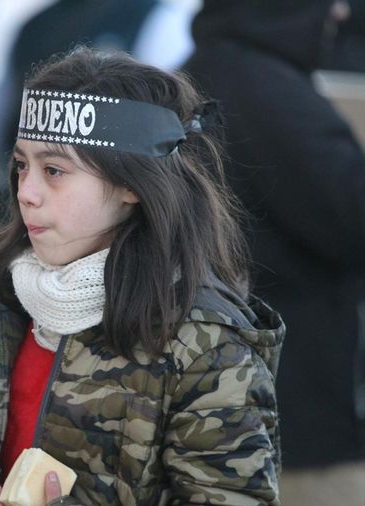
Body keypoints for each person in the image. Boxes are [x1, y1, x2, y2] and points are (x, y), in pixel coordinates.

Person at [0, 47, 285, 505]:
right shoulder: (8, 295)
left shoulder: (204, 343)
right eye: (21, 165)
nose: (26, 192)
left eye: (54, 170)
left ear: (131, 184)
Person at [182, 1, 365, 504]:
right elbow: (353, 218)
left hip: (213, 409)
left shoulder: (188, 79)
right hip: (296, 417)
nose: (342, 12)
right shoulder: (272, 93)